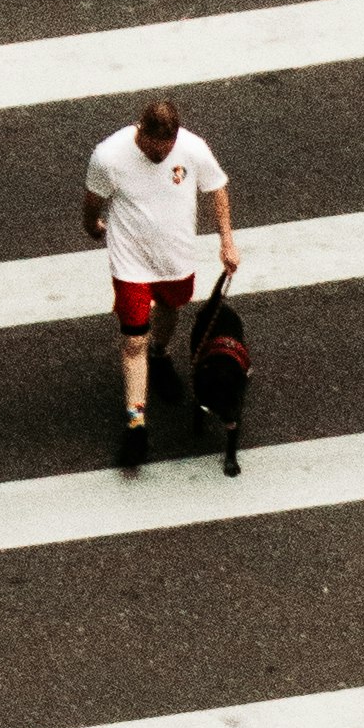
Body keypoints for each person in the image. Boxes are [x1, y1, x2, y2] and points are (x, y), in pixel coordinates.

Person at [82, 92, 236, 467]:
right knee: (132, 338)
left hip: (175, 256)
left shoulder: (193, 149)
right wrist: (92, 225)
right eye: (155, 150)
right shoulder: (109, 155)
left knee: (170, 309)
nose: (162, 156)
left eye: (167, 150)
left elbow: (217, 189)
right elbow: (93, 198)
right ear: (142, 133)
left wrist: (226, 240)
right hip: (130, 260)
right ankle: (136, 422)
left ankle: (161, 353)